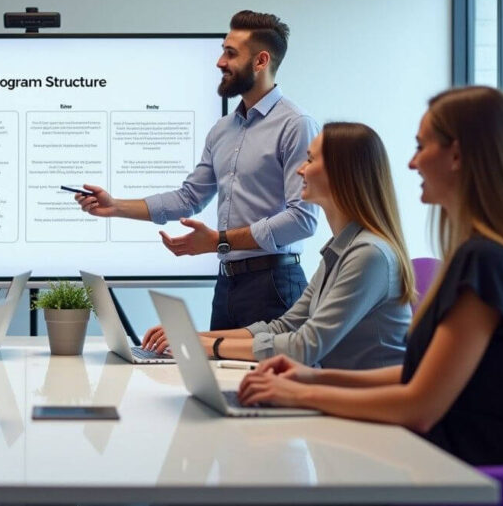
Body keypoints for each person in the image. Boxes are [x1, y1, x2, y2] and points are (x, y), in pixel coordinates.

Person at [238, 86, 503, 466]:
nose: (411, 163)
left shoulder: (484, 262)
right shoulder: (490, 257)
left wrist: (298, 395)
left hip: (455, 472)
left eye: (421, 146)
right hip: (440, 459)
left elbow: (420, 405)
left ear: (456, 155)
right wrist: (310, 379)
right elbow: (416, 376)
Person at [75, 10, 320, 330]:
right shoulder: (223, 129)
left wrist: (220, 241)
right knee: (215, 378)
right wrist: (115, 205)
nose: (220, 62)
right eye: (223, 51)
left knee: (265, 380)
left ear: (261, 61)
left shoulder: (296, 125)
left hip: (275, 283)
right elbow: (189, 198)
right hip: (227, 287)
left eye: (230, 53)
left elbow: (302, 220)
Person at [142, 122, 414, 370]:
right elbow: (285, 326)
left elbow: (303, 347)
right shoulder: (340, 250)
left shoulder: (369, 254)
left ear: (342, 173)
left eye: (310, 160)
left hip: (364, 411)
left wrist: (209, 346)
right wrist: (190, 336)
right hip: (337, 398)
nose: (300, 169)